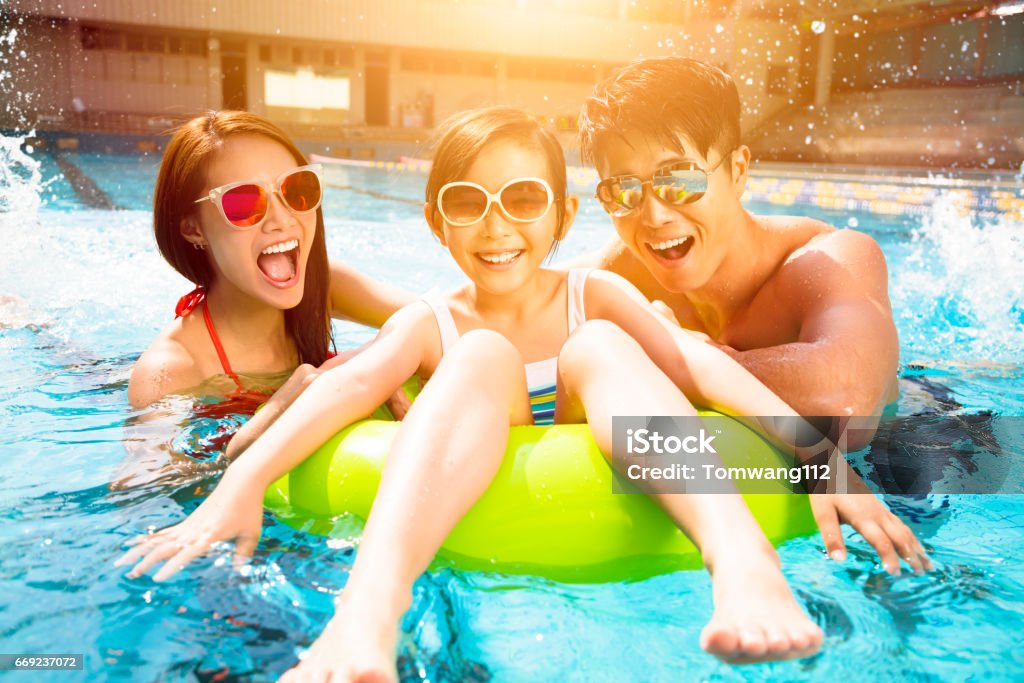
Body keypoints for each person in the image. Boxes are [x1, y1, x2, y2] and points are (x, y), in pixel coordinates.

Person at [118, 107, 829, 677]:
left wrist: (823, 455)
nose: (496, 225)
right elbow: (357, 379)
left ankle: (742, 564)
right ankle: (367, 614)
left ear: (562, 217)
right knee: (481, 354)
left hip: (619, 425)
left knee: (602, 347)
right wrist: (241, 479)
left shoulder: (594, 294)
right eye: (468, 203)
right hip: (469, 437)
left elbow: (694, 364)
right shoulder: (433, 323)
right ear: (436, 221)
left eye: (523, 199)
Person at [573, 57, 931, 574]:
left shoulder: (826, 260)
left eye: (679, 180)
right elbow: (511, 304)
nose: (653, 215)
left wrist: (672, 358)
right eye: (624, 190)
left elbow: (849, 398)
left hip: (915, 435)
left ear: (738, 171)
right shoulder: (626, 270)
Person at [128, 110, 411, 415]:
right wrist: (286, 403)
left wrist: (376, 362)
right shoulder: (170, 374)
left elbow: (441, 320)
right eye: (244, 202)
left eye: (297, 189)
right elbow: (159, 464)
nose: (282, 219)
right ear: (193, 229)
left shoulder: (323, 286)